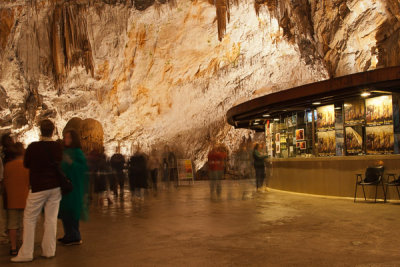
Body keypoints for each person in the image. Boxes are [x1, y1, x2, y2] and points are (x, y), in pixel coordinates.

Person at [12, 119, 62, 262]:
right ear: (53, 131)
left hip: (39, 186)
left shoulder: (33, 147)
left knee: (30, 218)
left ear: (40, 131)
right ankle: (49, 250)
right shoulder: (57, 147)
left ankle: (26, 252)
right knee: (51, 219)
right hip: (55, 187)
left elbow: (26, 164)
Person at [58, 130, 89, 246]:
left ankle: (75, 235)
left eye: (68, 138)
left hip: (74, 186)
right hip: (65, 186)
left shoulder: (77, 152)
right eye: (65, 137)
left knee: (72, 211)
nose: (66, 140)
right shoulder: (66, 151)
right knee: (65, 211)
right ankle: (68, 234)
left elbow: (82, 168)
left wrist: (71, 162)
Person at [3, 143, 29, 255]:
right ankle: (23, 245)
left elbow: (5, 182)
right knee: (24, 224)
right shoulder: (27, 166)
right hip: (24, 198)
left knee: (12, 225)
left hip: (11, 199)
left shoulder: (8, 166)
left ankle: (13, 247)